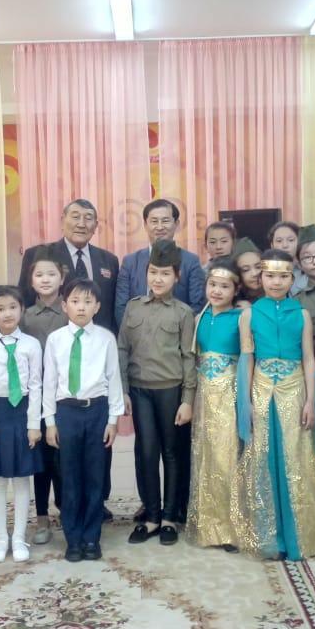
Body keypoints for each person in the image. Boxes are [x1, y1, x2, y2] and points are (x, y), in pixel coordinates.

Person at [233, 250, 315, 560]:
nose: (276, 282)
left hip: (295, 390)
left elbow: (309, 358)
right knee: (263, 459)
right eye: (270, 276)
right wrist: (246, 401)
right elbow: (247, 358)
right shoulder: (249, 315)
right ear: (260, 278)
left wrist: (311, 400)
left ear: (292, 278)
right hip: (261, 391)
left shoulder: (301, 314)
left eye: (283, 276)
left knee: (296, 460)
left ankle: (300, 537)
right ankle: (268, 538)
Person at [119, 241, 198, 545]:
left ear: (177, 276)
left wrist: (188, 400)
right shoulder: (133, 307)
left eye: (165, 273)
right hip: (140, 391)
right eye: (153, 272)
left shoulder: (183, 312)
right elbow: (123, 349)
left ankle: (169, 518)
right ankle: (151, 517)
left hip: (171, 391)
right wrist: (124, 390)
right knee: (146, 452)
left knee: (172, 453)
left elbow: (189, 357)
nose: (158, 279)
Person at [42, 278, 125, 562]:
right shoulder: (55, 340)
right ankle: (73, 538)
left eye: (88, 302)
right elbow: (49, 383)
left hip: (97, 410)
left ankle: (91, 537)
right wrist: (50, 422)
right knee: (69, 477)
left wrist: (113, 420)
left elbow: (114, 379)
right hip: (66, 412)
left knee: (94, 476)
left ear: (97, 306)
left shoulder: (106, 339)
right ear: (64, 305)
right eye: (75, 301)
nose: (81, 307)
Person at [0, 285, 44, 564]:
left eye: (13, 307)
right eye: (0, 309)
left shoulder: (32, 345)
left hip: (23, 413)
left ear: (22, 309)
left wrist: (34, 424)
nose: (7, 313)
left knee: (23, 477)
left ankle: (19, 537)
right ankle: (1, 537)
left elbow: (36, 385)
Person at [186, 257, 248, 551]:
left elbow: (247, 358)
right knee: (206, 456)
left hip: (230, 394)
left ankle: (233, 529)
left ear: (235, 290)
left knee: (229, 457)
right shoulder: (199, 317)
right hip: (204, 396)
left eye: (224, 286)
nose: (217, 291)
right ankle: (208, 527)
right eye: (213, 284)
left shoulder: (240, 317)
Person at [20, 252, 68, 545]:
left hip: (65, 396)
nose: (45, 280)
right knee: (40, 460)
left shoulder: (70, 312)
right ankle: (41, 517)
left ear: (62, 278)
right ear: (31, 280)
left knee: (63, 457)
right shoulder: (24, 316)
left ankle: (65, 508)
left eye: (51, 274)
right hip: (34, 397)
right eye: (39, 275)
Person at [18, 199, 120, 333]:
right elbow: (25, 299)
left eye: (88, 218)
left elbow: (113, 308)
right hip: (52, 336)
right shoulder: (39, 254)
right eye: (75, 217)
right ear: (62, 221)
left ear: (95, 226)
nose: (81, 224)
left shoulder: (110, 260)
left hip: (99, 338)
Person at [115, 199, 205, 326]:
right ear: (145, 225)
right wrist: (133, 332)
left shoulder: (191, 261)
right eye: (154, 221)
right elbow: (121, 306)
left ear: (176, 223)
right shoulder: (130, 262)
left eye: (165, 221)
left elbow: (197, 305)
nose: (160, 227)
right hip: (136, 334)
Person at [268, 220, 308, 294]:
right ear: (272, 246)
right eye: (279, 241)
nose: (285, 245)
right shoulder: (266, 273)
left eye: (291, 240)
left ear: (299, 242)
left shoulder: (308, 271)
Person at [233, 237, 264, 302]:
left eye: (258, 267)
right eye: (246, 270)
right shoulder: (233, 299)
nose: (254, 274)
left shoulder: (277, 294)